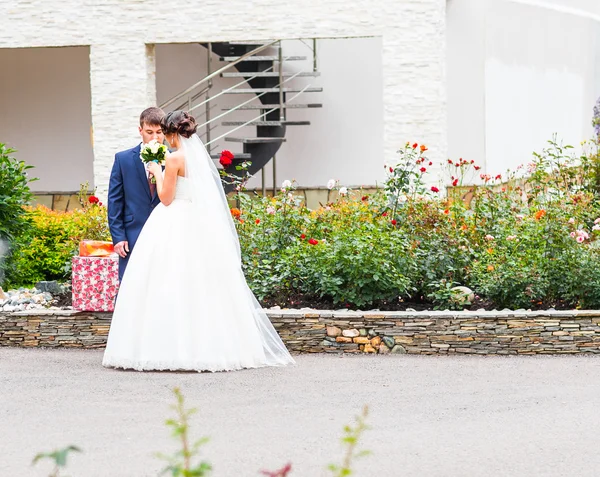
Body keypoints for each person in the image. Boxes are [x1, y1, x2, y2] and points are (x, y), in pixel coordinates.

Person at [102, 110, 295, 372]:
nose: (162, 138)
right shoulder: (198, 160)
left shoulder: (173, 159)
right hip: (196, 223)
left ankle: (165, 348)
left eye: (164, 133)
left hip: (172, 220)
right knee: (202, 286)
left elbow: (166, 198)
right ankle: (213, 348)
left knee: (166, 284)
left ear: (171, 133)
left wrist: (156, 171)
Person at [108, 107, 164, 281]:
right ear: (140, 131)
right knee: (131, 285)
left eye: (159, 132)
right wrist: (118, 237)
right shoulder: (123, 159)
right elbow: (115, 200)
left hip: (166, 231)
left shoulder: (173, 159)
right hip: (133, 233)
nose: (155, 137)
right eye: (149, 132)